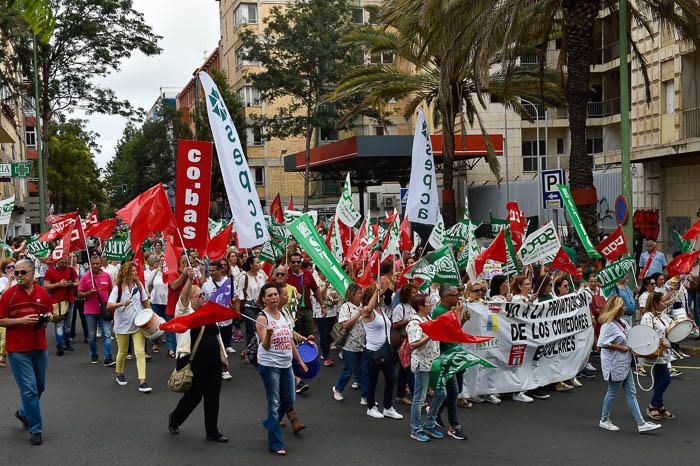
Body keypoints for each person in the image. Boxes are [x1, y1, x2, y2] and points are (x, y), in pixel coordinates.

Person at [168, 269, 230, 442]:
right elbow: (183, 299)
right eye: (200, 295)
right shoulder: (184, 314)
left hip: (213, 362)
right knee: (194, 396)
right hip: (192, 362)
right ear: (192, 299)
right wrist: (189, 280)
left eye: (204, 295)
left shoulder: (210, 313)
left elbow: (216, 337)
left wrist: (223, 357)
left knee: (213, 396)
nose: (204, 297)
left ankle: (212, 431)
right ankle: (175, 419)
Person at [0, 259, 53, 445]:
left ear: (32, 273)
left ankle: (23, 412)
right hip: (18, 350)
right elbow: (1, 320)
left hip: (39, 346)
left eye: (23, 273)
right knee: (29, 390)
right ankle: (35, 428)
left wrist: (49, 317)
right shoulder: (8, 295)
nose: (19, 276)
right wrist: (19, 321)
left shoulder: (42, 293)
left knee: (39, 387)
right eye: (16, 273)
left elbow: (49, 312)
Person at [256, 284, 308, 456]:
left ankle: (271, 422)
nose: (273, 297)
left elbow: (289, 337)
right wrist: (269, 334)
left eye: (275, 294)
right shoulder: (262, 318)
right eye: (269, 295)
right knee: (274, 402)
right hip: (270, 365)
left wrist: (299, 360)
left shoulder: (284, 313)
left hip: (286, 364)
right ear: (263, 298)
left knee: (290, 399)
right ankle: (275, 443)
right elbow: (265, 344)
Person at [597, 295, 661, 433]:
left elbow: (631, 335)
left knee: (631, 392)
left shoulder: (622, 322)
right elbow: (601, 343)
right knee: (612, 392)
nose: (625, 308)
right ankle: (603, 420)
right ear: (616, 309)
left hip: (624, 363)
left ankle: (641, 423)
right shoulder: (608, 326)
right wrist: (620, 347)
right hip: (614, 364)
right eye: (622, 306)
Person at [360, 284, 403, 420]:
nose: (382, 296)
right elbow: (369, 307)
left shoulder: (381, 310)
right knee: (373, 380)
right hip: (373, 352)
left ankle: (388, 407)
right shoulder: (367, 311)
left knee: (391, 379)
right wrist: (376, 291)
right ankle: (371, 407)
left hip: (386, 350)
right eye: (380, 294)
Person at [107, 261, 151, 393]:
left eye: (136, 271)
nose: (136, 273)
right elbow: (109, 305)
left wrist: (150, 315)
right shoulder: (118, 288)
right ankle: (119, 372)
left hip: (137, 323)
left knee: (139, 352)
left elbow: (145, 302)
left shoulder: (139, 285)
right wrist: (122, 303)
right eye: (133, 271)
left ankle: (142, 381)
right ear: (126, 273)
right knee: (123, 351)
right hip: (122, 325)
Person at [407, 293, 445, 442]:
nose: (431, 304)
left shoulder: (428, 319)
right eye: (428, 302)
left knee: (442, 393)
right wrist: (430, 335)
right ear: (421, 306)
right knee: (419, 398)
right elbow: (412, 344)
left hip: (434, 363)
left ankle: (429, 424)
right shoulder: (415, 323)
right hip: (422, 365)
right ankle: (416, 430)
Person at [431, 284, 467, 438]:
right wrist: (458, 315)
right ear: (445, 297)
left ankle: (435, 413)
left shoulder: (449, 311)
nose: (457, 297)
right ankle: (454, 426)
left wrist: (462, 319)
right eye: (454, 295)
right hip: (446, 357)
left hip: (455, 354)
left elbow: (457, 333)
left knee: (456, 390)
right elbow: (451, 334)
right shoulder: (439, 312)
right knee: (452, 392)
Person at [640, 292, 675, 421]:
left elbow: (672, 326)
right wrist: (660, 341)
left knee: (660, 379)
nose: (664, 304)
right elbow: (647, 333)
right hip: (656, 352)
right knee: (666, 379)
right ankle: (652, 405)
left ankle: (660, 406)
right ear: (655, 303)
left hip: (664, 352)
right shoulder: (648, 316)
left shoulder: (661, 316)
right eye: (662, 302)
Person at [332, 283, 369, 404]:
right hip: (350, 344)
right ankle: (338, 389)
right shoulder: (346, 307)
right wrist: (358, 313)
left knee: (364, 370)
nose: (361, 294)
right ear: (352, 294)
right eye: (359, 293)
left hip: (363, 344)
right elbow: (345, 325)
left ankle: (365, 396)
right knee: (348, 369)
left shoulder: (364, 306)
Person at [77, 250, 114, 366]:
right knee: (91, 336)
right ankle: (94, 354)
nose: (95, 266)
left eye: (97, 263)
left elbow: (111, 291)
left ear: (101, 263)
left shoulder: (107, 276)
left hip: (104, 311)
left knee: (107, 335)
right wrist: (88, 293)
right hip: (90, 311)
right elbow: (78, 294)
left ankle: (108, 357)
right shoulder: (85, 277)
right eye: (93, 264)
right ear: (90, 264)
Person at [202, 260, 234, 380]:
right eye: (209, 271)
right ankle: (222, 369)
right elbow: (203, 301)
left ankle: (223, 365)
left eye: (213, 270)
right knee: (215, 345)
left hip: (226, 319)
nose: (211, 273)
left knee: (225, 345)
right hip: (212, 320)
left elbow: (233, 298)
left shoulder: (229, 282)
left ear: (220, 270)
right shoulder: (206, 285)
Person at [44, 256, 79, 355]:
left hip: (70, 300)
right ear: (57, 262)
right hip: (57, 301)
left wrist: (71, 284)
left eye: (66, 262)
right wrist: (58, 284)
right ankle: (60, 345)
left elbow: (78, 282)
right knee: (59, 324)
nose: (65, 264)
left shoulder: (71, 270)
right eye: (62, 262)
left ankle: (66, 342)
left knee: (68, 325)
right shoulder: (50, 271)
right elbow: (46, 286)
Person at [286, 252, 324, 338]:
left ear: (301, 262)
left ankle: (308, 351)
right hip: (292, 310)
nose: (296, 264)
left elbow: (316, 289)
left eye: (298, 262)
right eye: (293, 262)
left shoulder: (307, 273)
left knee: (309, 336)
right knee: (293, 335)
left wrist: (322, 305)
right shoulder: (285, 274)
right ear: (289, 262)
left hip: (307, 309)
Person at [391, 283, 417, 406]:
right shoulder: (400, 307)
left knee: (403, 370)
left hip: (409, 341)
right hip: (401, 342)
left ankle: (400, 395)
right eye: (413, 292)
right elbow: (395, 324)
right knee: (407, 369)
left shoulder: (411, 307)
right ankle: (416, 397)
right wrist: (407, 321)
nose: (415, 294)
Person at [236, 255, 268, 346]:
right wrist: (238, 310)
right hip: (248, 307)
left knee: (259, 328)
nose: (259, 264)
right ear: (251, 265)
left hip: (261, 307)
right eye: (257, 262)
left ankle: (258, 349)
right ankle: (250, 350)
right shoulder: (244, 278)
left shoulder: (261, 276)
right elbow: (240, 294)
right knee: (254, 327)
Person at [312, 270, 339, 367]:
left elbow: (337, 294)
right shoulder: (315, 281)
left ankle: (326, 348)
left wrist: (336, 300)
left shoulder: (332, 281)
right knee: (324, 334)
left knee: (327, 333)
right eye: (324, 271)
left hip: (332, 312)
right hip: (320, 312)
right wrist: (326, 286)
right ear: (319, 272)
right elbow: (317, 295)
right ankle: (326, 355)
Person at [165, 255, 191, 358]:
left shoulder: (191, 273)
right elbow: (173, 285)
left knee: (184, 332)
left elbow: (196, 287)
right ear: (182, 263)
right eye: (187, 262)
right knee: (172, 331)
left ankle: (182, 351)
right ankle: (171, 349)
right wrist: (183, 275)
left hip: (186, 308)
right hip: (173, 308)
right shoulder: (173, 273)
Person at [145, 255, 168, 354]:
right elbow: (147, 285)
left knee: (167, 323)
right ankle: (155, 343)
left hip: (167, 302)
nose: (162, 262)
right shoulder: (154, 273)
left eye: (164, 260)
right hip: (155, 302)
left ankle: (170, 347)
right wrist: (149, 295)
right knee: (155, 323)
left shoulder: (170, 272)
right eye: (160, 260)